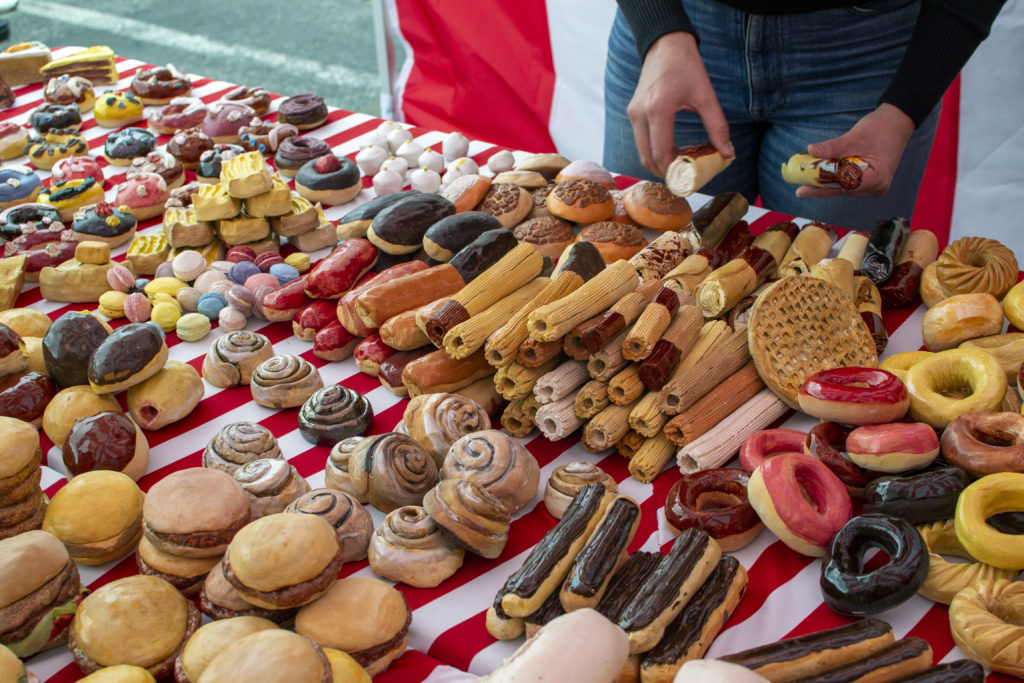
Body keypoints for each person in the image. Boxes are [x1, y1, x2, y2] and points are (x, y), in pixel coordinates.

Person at [603, 0, 1006, 230]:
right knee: (633, 271)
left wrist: (904, 108)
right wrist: (658, 31)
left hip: (868, 55)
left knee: (827, 297)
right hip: (674, 29)